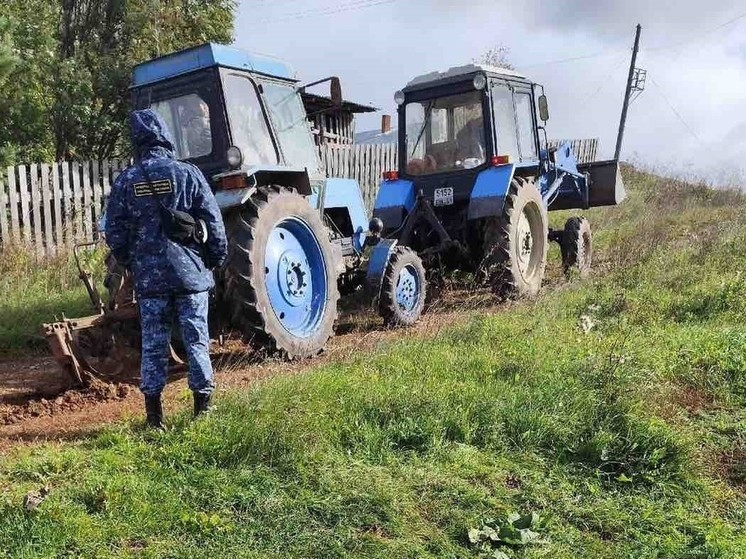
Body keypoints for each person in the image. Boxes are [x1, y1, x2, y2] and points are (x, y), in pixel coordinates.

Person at [105, 109, 228, 430]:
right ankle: (202, 409)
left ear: (137, 142)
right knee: (197, 340)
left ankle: (154, 418)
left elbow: (114, 234)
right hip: (191, 276)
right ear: (165, 135)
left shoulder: (127, 181)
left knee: (154, 344)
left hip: (150, 282)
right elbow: (214, 227)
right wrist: (212, 261)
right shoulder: (188, 174)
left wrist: (134, 262)